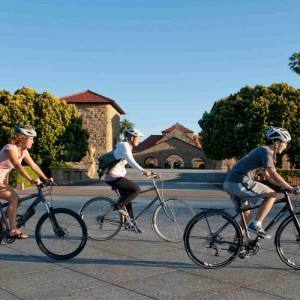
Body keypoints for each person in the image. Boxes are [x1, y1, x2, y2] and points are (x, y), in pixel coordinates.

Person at [223, 126, 300, 240]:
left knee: (247, 216)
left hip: (231, 183)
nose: (286, 147)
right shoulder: (266, 151)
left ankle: (235, 246)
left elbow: (267, 175)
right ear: (276, 142)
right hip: (240, 181)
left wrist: (281, 186)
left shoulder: (261, 150)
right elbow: (273, 173)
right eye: (285, 143)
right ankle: (257, 224)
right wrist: (290, 188)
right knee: (272, 195)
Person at [0, 125, 52, 239]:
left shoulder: (23, 151)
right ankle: (13, 230)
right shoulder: (10, 148)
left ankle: (0, 223)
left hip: (1, 181)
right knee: (14, 198)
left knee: (17, 201)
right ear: (23, 138)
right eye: (31, 138)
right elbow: (17, 165)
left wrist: (46, 178)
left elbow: (33, 165)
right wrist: (31, 179)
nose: (33, 142)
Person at [104, 128, 151, 223]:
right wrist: (143, 171)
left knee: (127, 198)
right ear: (132, 137)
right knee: (136, 190)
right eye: (138, 138)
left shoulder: (127, 146)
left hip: (115, 176)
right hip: (113, 177)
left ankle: (130, 223)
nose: (139, 140)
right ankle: (118, 206)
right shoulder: (124, 146)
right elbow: (131, 161)